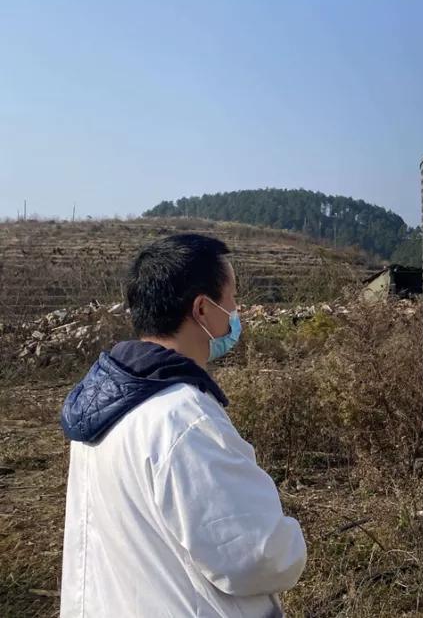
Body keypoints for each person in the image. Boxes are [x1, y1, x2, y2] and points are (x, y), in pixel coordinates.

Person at [59, 234, 306, 617]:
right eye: (233, 298)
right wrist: (290, 540)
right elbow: (254, 556)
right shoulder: (184, 418)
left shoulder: (104, 403)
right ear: (203, 310)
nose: (237, 311)